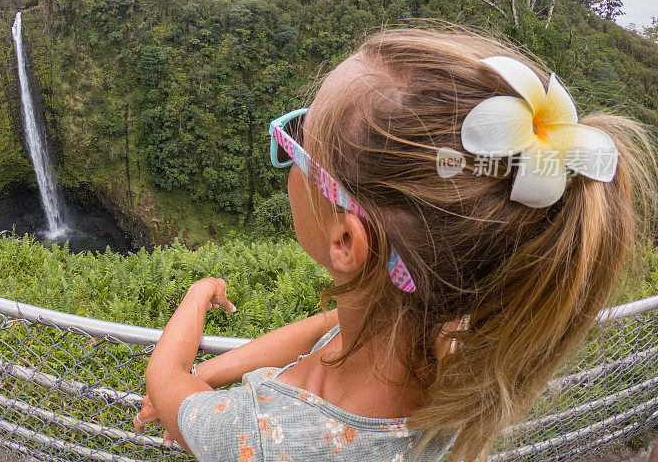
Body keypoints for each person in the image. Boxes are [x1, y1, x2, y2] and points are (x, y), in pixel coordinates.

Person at [133, 26, 655, 462]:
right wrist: (214, 369)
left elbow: (166, 377)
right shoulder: (454, 343)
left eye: (296, 140)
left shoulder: (259, 439)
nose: (287, 152)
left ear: (345, 239)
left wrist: (198, 292)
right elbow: (328, 326)